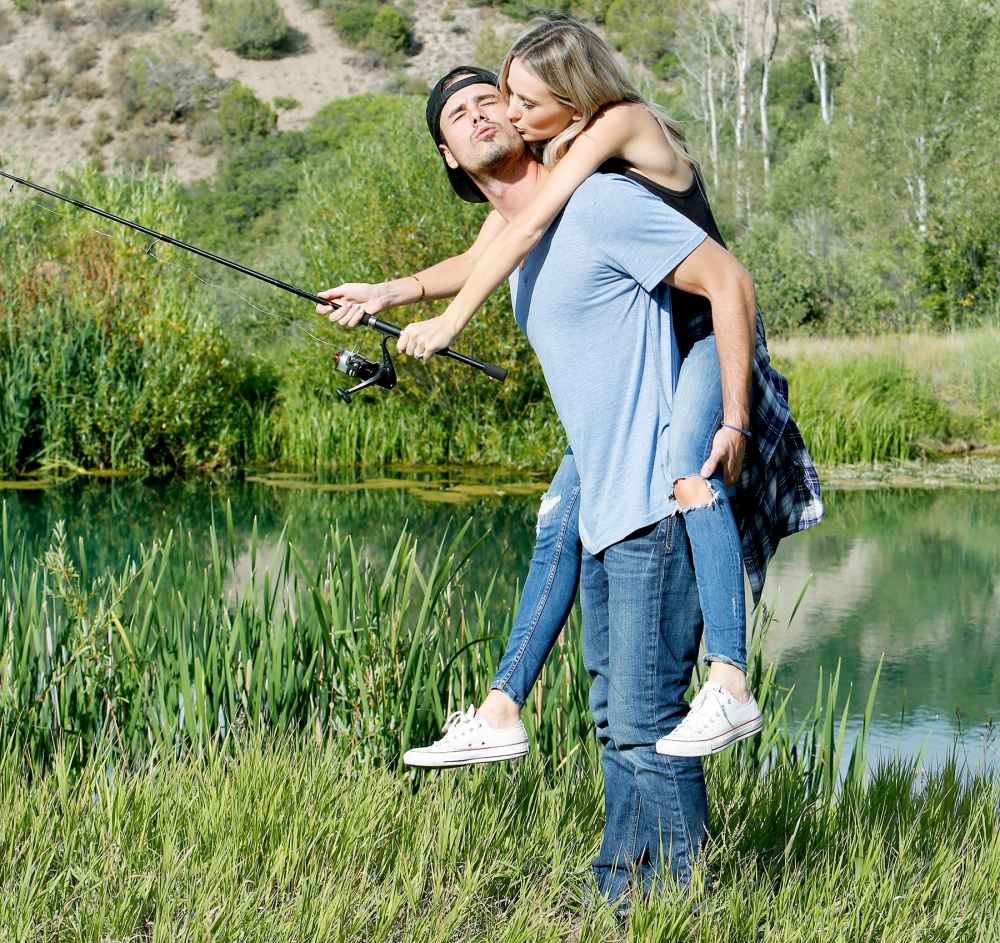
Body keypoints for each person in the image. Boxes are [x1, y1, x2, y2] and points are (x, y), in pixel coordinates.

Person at [318, 20, 823, 764]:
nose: (508, 114)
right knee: (559, 516)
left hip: (705, 337)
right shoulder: (564, 160)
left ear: (567, 89)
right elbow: (483, 246)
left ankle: (731, 679)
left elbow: (527, 230)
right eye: (492, 106)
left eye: (516, 99)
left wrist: (452, 322)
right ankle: (502, 707)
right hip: (656, 358)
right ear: (447, 151)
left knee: (690, 463)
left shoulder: (615, 126)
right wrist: (388, 293)